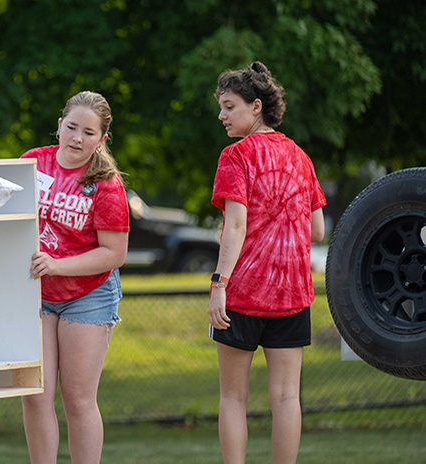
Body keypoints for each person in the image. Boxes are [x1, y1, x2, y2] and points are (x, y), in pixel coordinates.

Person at [0, 91, 129, 464]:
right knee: (35, 394)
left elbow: (114, 254)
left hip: (88, 293)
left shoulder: (106, 184)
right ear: (59, 125)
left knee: (78, 397)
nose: (77, 138)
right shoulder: (30, 163)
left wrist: (57, 265)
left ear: (102, 138)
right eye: (71, 127)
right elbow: (3, 219)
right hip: (33, 291)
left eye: (89, 133)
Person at [208, 61, 326, 464]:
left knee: (232, 396)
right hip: (293, 295)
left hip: (240, 294)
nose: (221, 115)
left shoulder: (235, 155)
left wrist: (218, 284)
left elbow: (235, 225)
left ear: (256, 106)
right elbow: (317, 231)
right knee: (287, 397)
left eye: (228, 106)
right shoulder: (300, 157)